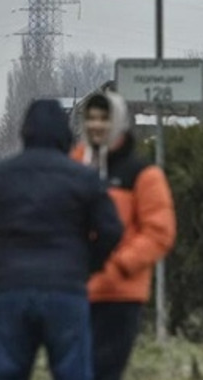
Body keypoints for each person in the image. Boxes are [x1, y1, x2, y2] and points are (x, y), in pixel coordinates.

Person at [0, 99, 123, 380]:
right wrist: (87, 264)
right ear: (65, 135)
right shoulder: (84, 179)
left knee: (6, 372)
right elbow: (111, 230)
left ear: (25, 132)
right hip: (67, 289)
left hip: (13, 288)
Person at [72, 91, 177, 380]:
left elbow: (159, 232)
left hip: (119, 294)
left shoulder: (142, 174)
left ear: (118, 122)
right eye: (91, 118)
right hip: (74, 290)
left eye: (104, 118)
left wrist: (119, 266)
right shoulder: (74, 165)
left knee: (104, 371)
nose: (96, 125)